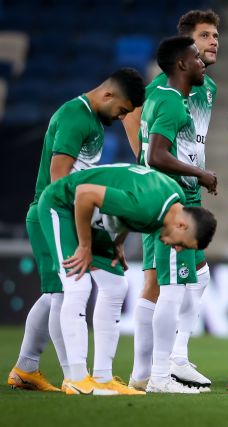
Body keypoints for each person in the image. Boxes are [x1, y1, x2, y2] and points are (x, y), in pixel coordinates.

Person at [7, 69, 145, 392]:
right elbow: (59, 179)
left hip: (76, 214)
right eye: (122, 110)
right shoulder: (74, 116)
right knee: (66, 291)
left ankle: (33, 368)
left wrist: (106, 235)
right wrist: (83, 235)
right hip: (53, 213)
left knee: (107, 285)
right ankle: (74, 376)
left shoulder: (93, 121)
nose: (122, 117)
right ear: (108, 95)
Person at [37, 164, 216, 395]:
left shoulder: (172, 200)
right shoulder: (147, 207)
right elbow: (84, 194)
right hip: (60, 205)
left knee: (115, 286)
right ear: (182, 225)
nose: (178, 249)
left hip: (90, 216)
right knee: (78, 284)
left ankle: (102, 378)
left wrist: (119, 242)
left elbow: (129, 200)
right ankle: (76, 378)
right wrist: (85, 246)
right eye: (183, 244)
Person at [122, 9, 221, 391]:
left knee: (194, 276)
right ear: (185, 50)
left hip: (183, 190)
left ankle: (164, 363)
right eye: (204, 37)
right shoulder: (163, 94)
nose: (212, 43)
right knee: (161, 283)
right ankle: (157, 370)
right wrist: (154, 170)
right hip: (168, 193)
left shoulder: (203, 90)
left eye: (215, 35)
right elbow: (144, 136)